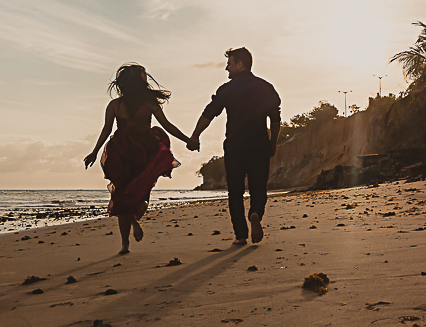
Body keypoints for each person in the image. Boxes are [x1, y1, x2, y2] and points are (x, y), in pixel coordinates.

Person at [84, 64, 191, 255]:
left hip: (121, 152)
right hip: (144, 150)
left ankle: (125, 244)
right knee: (142, 194)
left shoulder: (115, 105)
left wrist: (94, 152)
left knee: (121, 196)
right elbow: (167, 125)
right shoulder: (149, 103)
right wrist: (188, 139)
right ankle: (134, 221)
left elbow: (106, 131)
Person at [188, 47, 280, 245]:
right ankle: (255, 213)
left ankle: (240, 235)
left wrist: (195, 136)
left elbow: (209, 113)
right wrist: (273, 143)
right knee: (258, 188)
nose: (226, 69)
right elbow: (275, 119)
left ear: (240, 65)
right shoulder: (266, 88)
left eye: (229, 64)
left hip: (235, 148)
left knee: (235, 192)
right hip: (259, 146)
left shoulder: (227, 90)